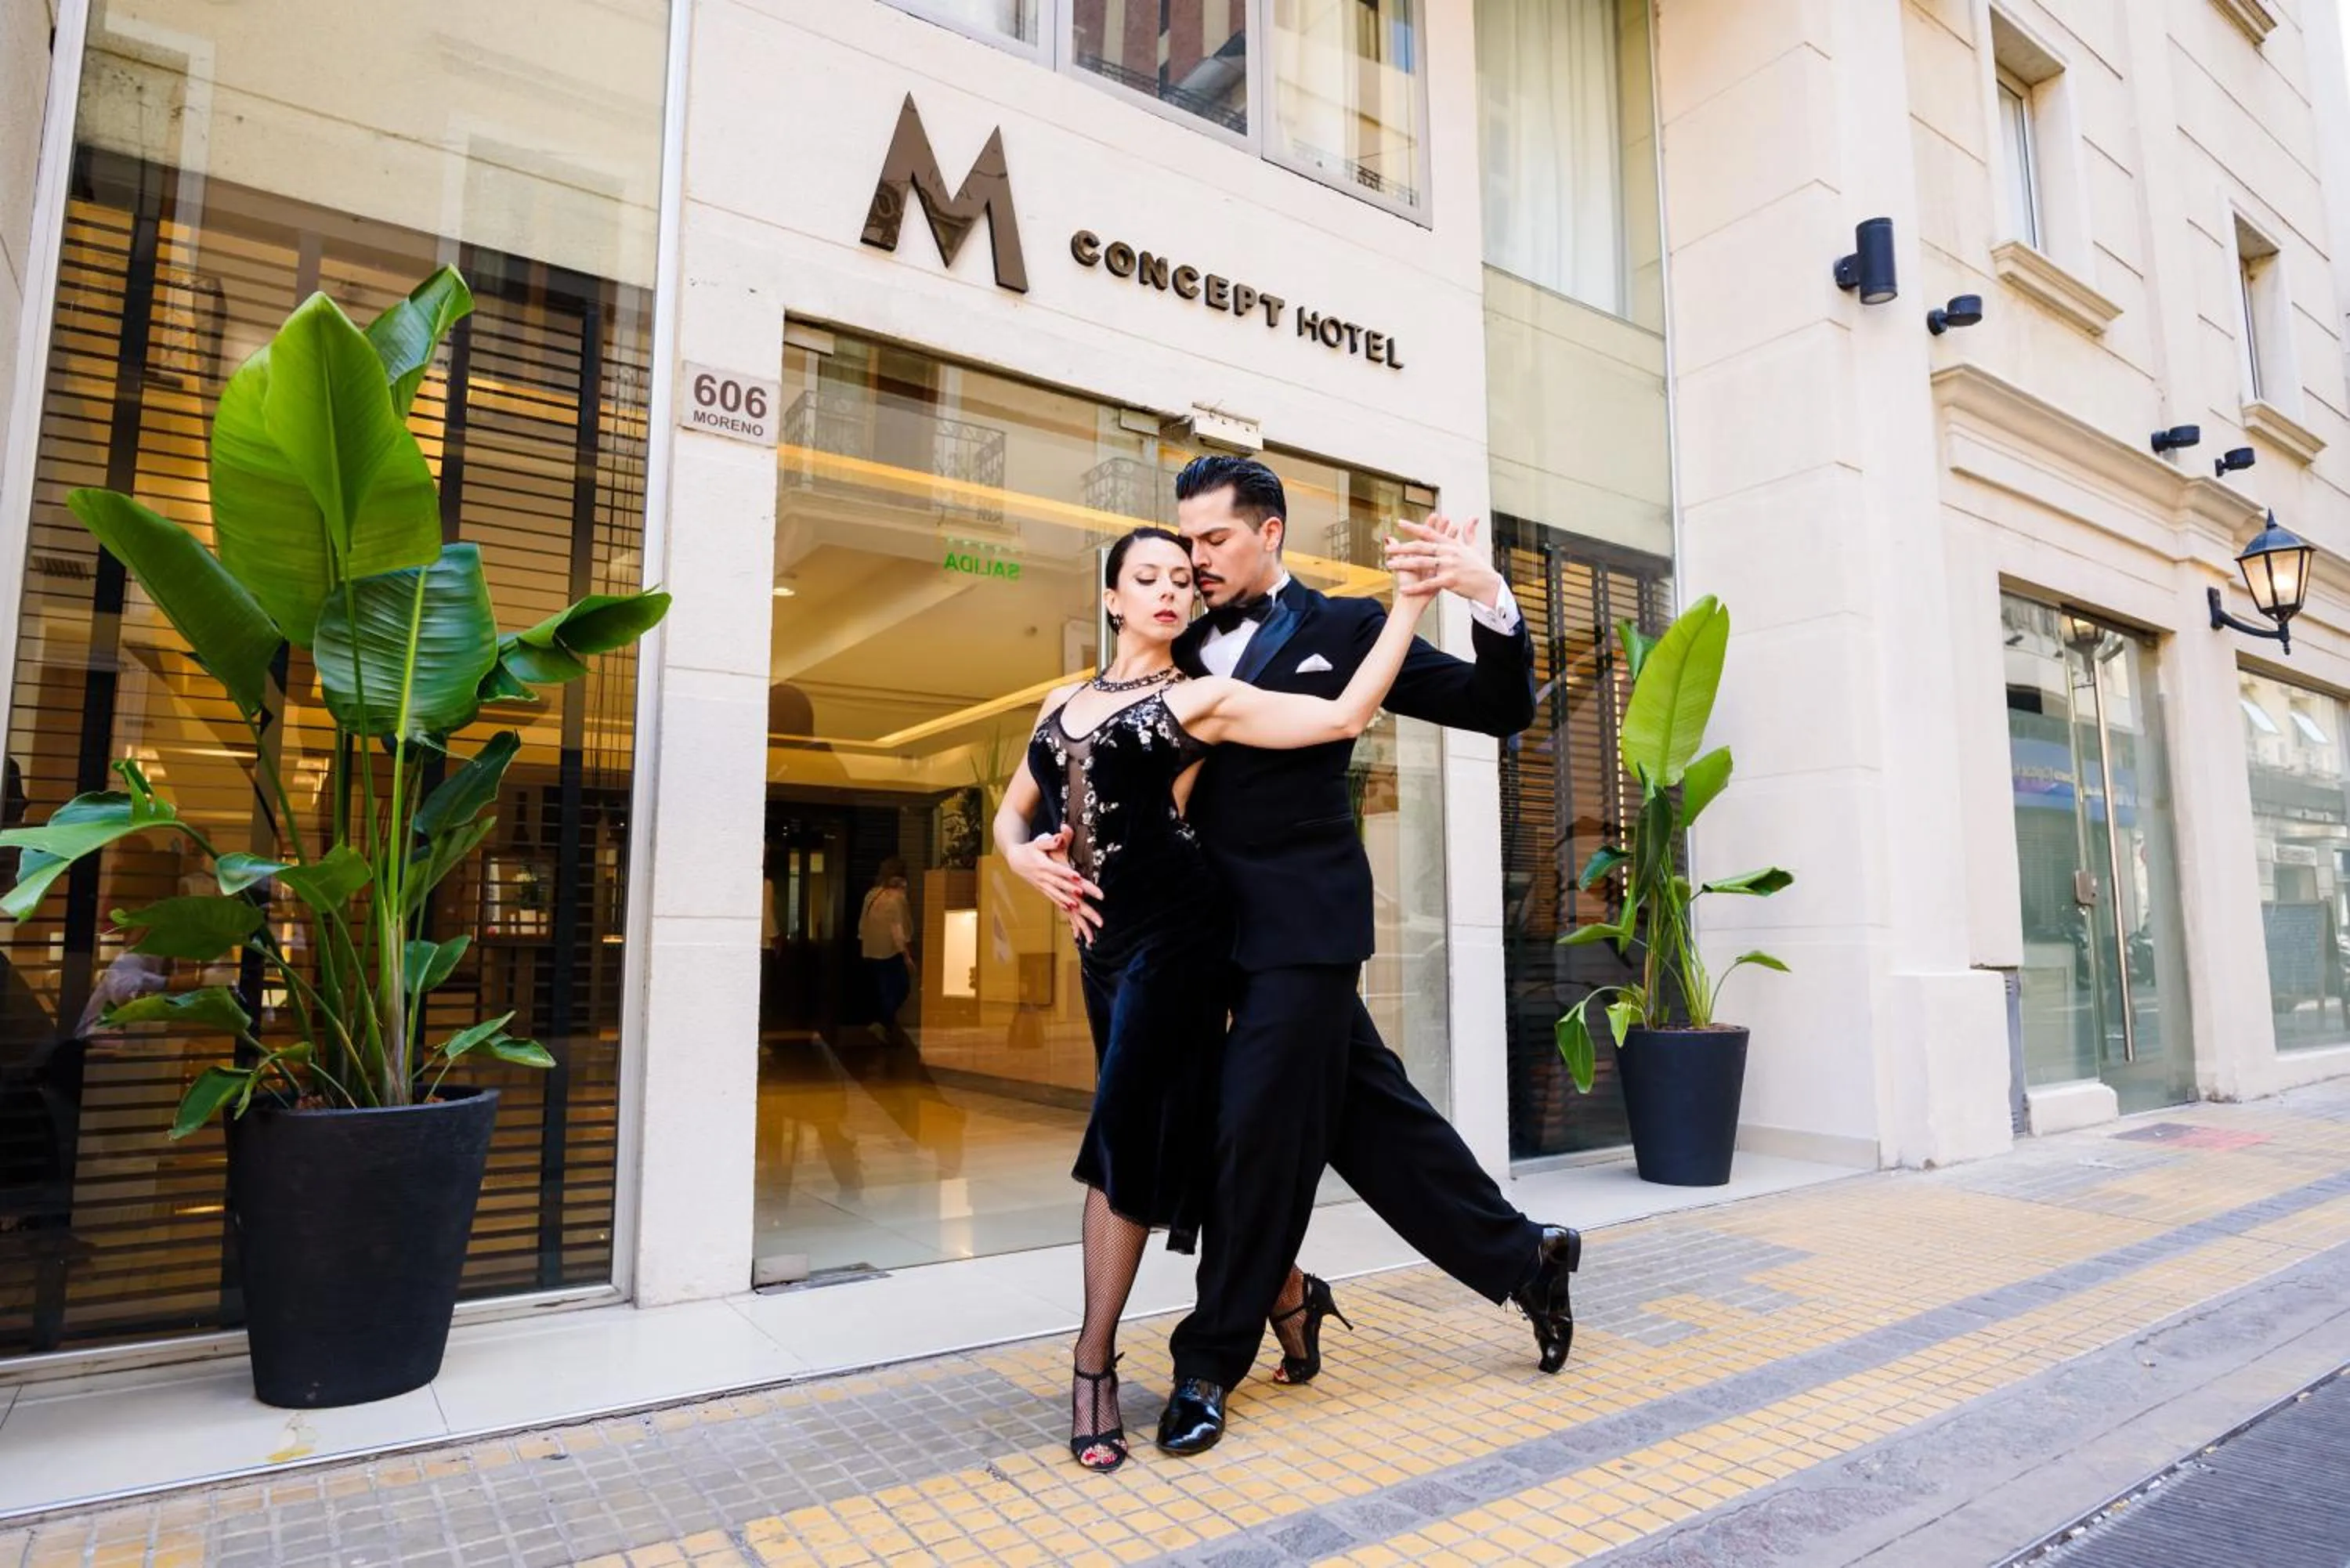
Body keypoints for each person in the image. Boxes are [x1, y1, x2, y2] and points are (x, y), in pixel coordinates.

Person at [1141, 453, 1579, 1455]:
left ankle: (1208, 1359)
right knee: (1371, 1120)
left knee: (1255, 1130)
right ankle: (1527, 1259)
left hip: (1303, 926)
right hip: (1206, 934)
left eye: (1215, 539)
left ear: (1270, 533)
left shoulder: (1344, 626)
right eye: (1188, 538)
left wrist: (1491, 600)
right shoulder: (1174, 635)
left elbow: (1498, 709)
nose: (1195, 559)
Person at [992, 525, 1441, 1474]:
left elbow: (1342, 718)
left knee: (1121, 1136)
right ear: (1111, 596)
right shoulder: (1058, 697)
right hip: (1100, 950)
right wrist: (1019, 859)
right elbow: (1015, 810)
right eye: (1144, 578)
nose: (1167, 591)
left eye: (1178, 581)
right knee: (1183, 1136)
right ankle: (1290, 1297)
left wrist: (1406, 606)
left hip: (1178, 941)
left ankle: (1092, 1364)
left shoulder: (1205, 699)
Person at [857, 860, 914, 1045]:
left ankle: (884, 1024)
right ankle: (883, 1024)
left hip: (871, 949)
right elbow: (899, 928)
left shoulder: (872, 894)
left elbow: (862, 923)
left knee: (884, 989)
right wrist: (906, 954)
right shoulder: (896, 897)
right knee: (901, 988)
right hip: (890, 951)